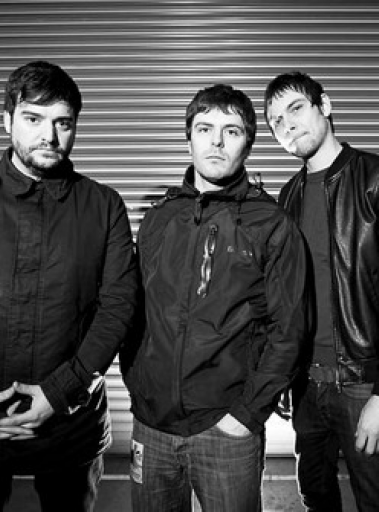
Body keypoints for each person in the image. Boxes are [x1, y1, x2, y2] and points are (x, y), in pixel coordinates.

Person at [121, 83, 310, 512]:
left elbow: (290, 330)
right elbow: (135, 311)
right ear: (188, 137)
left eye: (232, 131)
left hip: (226, 429)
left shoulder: (271, 224)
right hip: (152, 425)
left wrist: (247, 414)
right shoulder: (159, 218)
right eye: (204, 129)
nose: (216, 142)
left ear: (248, 143)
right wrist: (138, 387)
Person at [264, 71, 379, 512]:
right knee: (315, 497)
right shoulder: (288, 196)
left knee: (377, 502)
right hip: (305, 385)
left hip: (364, 383)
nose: (287, 125)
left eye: (296, 109)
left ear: (325, 105)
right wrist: (283, 374)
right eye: (276, 121)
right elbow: (286, 297)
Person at [0, 61, 139, 511]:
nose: (49, 137)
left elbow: (117, 308)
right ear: (7, 120)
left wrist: (58, 394)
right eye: (33, 119)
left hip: (71, 425)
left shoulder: (104, 205)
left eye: (63, 123)